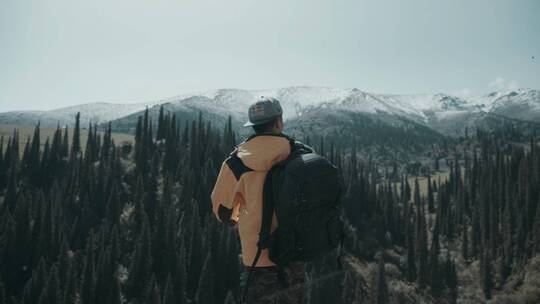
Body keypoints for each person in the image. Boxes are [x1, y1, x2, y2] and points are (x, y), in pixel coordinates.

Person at [211, 96, 312, 303]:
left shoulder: (236, 162)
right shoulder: (299, 152)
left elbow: (223, 213)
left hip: (258, 254)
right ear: (278, 122)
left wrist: (240, 216)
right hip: (294, 250)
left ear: (254, 126)